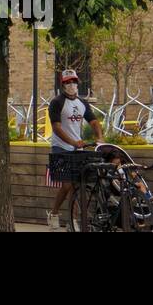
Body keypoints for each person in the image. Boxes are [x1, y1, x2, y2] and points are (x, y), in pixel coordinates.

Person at [45, 68, 103, 230]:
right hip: (60, 147)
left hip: (77, 148)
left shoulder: (82, 103)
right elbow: (56, 127)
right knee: (67, 185)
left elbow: (93, 121)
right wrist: (72, 141)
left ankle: (73, 220)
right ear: (62, 85)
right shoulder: (56, 102)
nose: (71, 85)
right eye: (67, 82)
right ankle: (54, 213)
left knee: (79, 185)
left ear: (78, 83)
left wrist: (100, 137)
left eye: (73, 82)